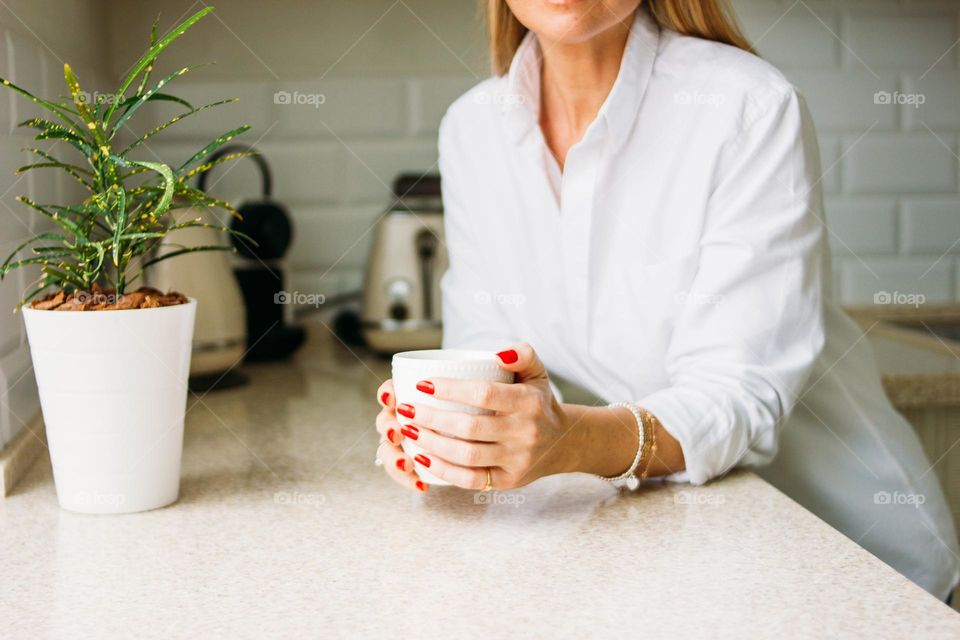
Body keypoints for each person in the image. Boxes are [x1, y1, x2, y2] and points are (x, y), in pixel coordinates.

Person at [374, 0, 959, 600]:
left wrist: (566, 440)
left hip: (846, 563)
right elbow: (488, 355)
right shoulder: (473, 128)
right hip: (675, 563)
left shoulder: (748, 107)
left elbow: (738, 394)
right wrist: (454, 435)